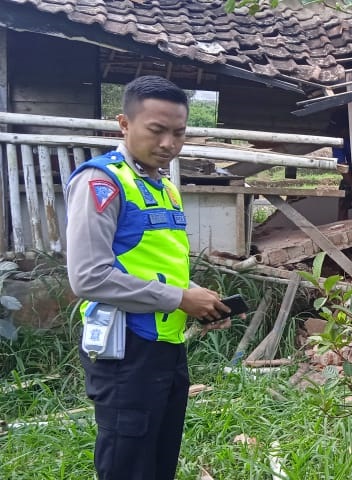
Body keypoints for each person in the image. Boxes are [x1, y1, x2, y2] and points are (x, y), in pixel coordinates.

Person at [66, 76, 231, 480]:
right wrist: (178, 298)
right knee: (128, 462)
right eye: (156, 131)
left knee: (159, 458)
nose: (169, 144)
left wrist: (198, 298)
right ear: (124, 124)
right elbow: (88, 278)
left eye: (179, 133)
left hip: (166, 345)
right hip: (125, 349)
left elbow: (156, 263)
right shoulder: (101, 183)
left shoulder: (164, 188)